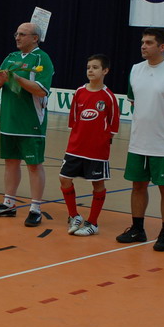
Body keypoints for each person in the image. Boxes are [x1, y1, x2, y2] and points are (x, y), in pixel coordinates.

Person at [116, 28, 164, 250]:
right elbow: (134, 101)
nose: (143, 46)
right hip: (138, 142)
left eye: (149, 42)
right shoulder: (135, 70)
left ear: (162, 47)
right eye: (143, 42)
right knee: (138, 186)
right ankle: (137, 229)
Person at [0, 22, 55, 227]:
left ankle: (35, 208)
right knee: (11, 162)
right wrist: (0, 80)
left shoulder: (42, 58)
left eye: (22, 34)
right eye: (16, 33)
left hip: (31, 123)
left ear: (35, 38)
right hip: (9, 121)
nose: (17, 37)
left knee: (34, 165)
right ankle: (9, 203)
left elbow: (41, 90)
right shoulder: (10, 57)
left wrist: (15, 77)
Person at [60, 54, 119, 236]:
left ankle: (93, 223)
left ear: (105, 71)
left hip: (96, 151)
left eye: (95, 67)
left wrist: (100, 143)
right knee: (64, 179)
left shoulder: (109, 97)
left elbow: (113, 126)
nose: (90, 70)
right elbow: (73, 120)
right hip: (75, 147)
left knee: (98, 184)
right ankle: (74, 216)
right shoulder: (79, 92)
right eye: (88, 67)